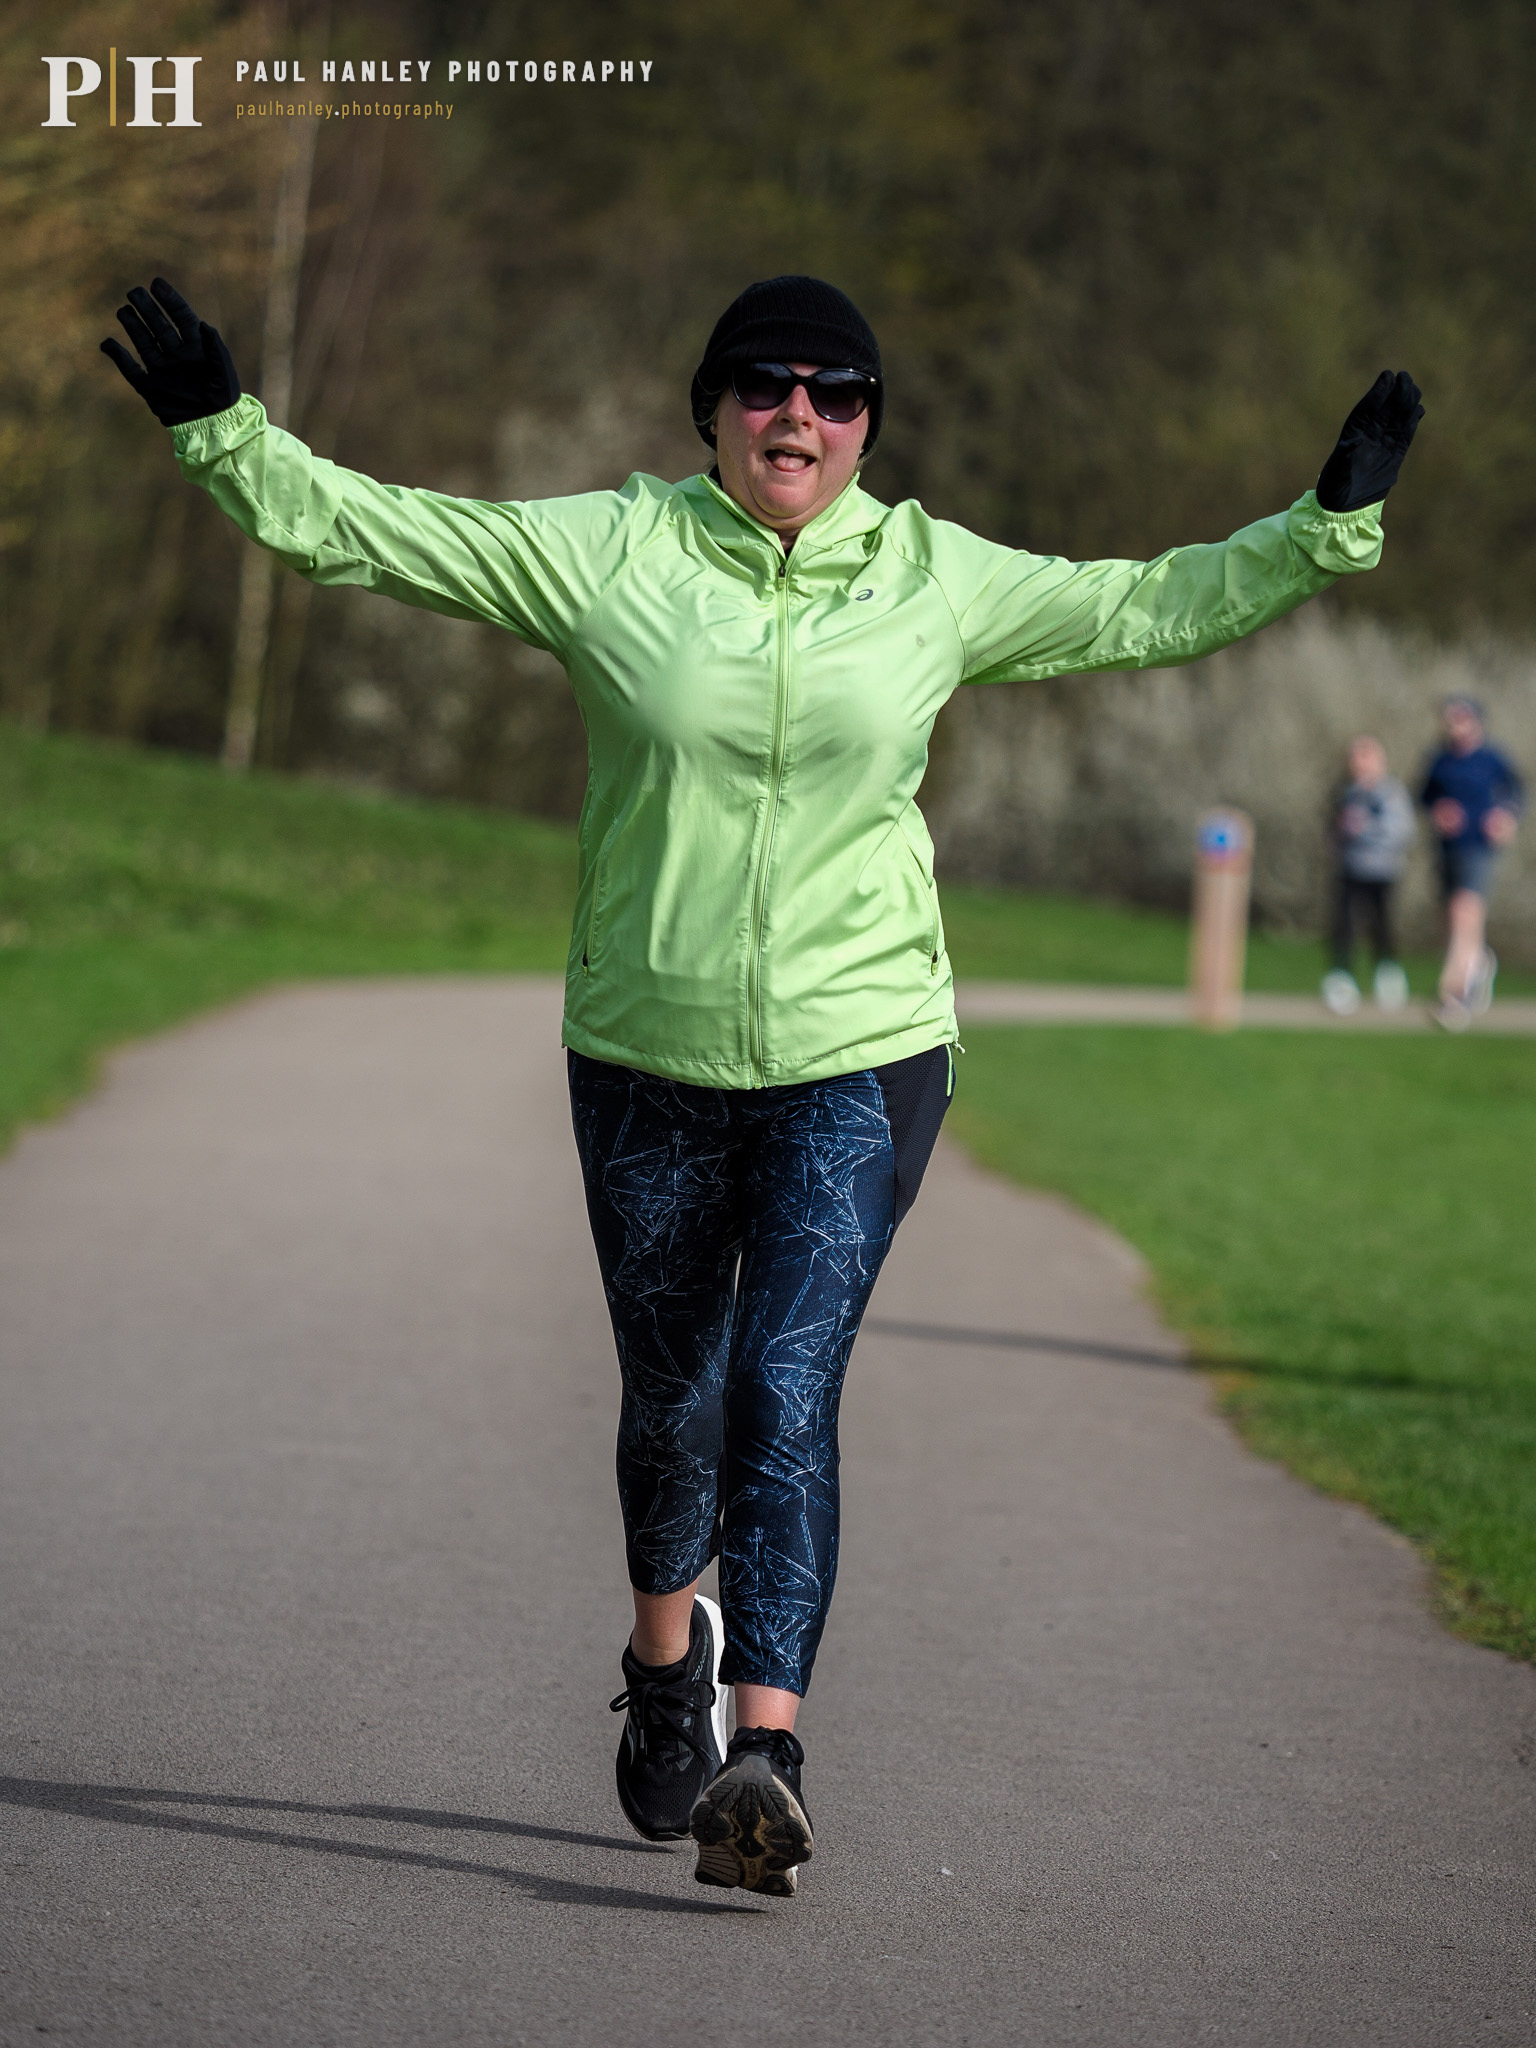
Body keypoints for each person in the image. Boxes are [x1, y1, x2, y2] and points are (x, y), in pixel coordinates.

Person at [102, 272, 1421, 1898]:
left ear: (868, 423)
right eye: (766, 383)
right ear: (711, 409)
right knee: (674, 1401)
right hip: (646, 1054)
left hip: (860, 1054)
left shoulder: (935, 577)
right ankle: (666, 1668)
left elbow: (1149, 602)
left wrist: (1324, 523)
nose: (802, 412)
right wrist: (222, 429)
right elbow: (375, 528)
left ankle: (763, 1752)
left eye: (838, 390)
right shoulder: (611, 553)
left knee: (784, 1386)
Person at [1420, 696, 1523, 1029]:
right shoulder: (1440, 761)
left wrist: (1506, 816)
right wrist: (1439, 810)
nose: (1455, 726)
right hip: (1447, 849)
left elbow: (1517, 791)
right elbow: (1424, 795)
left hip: (1478, 847)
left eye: (1461, 719)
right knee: (1450, 919)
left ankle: (1454, 995)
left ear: (1476, 722)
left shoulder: (1492, 759)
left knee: (1465, 911)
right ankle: (1478, 963)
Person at [1321, 734, 1415, 1015]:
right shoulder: (1346, 792)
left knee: (1382, 925)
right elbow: (1333, 828)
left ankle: (1388, 976)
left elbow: (1401, 831)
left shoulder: (1391, 792)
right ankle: (1341, 978)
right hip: (1350, 868)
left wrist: (1365, 831)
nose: (1360, 764)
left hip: (1383, 870)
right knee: (1344, 924)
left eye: (1366, 757)